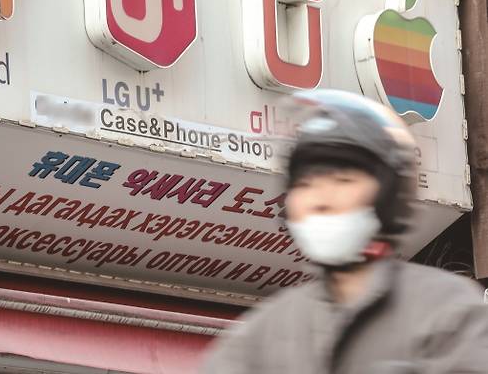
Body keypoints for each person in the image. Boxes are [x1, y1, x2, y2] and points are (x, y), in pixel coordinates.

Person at [201, 89, 488, 374]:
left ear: (388, 197)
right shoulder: (261, 335)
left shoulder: (446, 309)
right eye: (305, 185)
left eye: (343, 180)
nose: (320, 199)